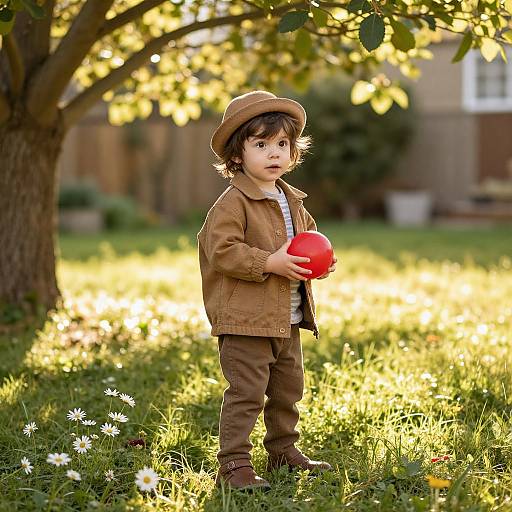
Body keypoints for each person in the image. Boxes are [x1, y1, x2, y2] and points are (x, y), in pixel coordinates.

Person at [197, 90, 337, 491]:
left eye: (282, 145)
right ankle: (234, 464)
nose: (274, 153)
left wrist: (322, 263)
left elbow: (309, 240)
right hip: (245, 321)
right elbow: (221, 251)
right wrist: (268, 262)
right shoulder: (232, 204)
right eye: (261, 144)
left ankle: (283, 450)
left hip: (287, 319)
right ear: (237, 155)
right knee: (246, 393)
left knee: (287, 389)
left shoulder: (291, 199)